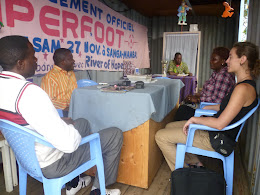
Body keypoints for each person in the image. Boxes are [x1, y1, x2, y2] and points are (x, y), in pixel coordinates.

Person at [0, 35, 123, 195]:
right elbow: (69, 144)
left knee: (82, 123)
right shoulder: (30, 93)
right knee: (114, 134)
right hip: (53, 164)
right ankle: (99, 190)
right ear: (21, 63)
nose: (37, 60)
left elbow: (28, 122)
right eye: (33, 56)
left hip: (27, 159)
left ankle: (74, 183)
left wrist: (60, 122)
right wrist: (70, 130)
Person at [155, 42, 259, 171]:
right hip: (216, 132)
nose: (227, 61)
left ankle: (186, 176)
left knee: (161, 136)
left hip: (217, 138)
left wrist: (195, 119)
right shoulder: (244, 85)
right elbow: (225, 107)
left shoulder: (243, 89)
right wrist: (206, 108)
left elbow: (220, 124)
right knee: (169, 126)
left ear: (242, 60)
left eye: (230, 57)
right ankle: (195, 165)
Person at [174, 47, 236, 121]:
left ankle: (177, 129)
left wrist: (198, 99)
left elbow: (218, 100)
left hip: (211, 113)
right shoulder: (217, 73)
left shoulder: (223, 76)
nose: (210, 61)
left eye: (214, 59)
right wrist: (197, 96)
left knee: (182, 110)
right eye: (211, 59)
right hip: (205, 106)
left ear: (223, 61)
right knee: (183, 107)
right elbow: (211, 93)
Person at [41, 48, 77, 117]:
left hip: (74, 109)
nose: (73, 61)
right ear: (63, 62)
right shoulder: (50, 78)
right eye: (70, 59)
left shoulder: (71, 73)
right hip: (60, 113)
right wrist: (68, 106)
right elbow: (49, 101)